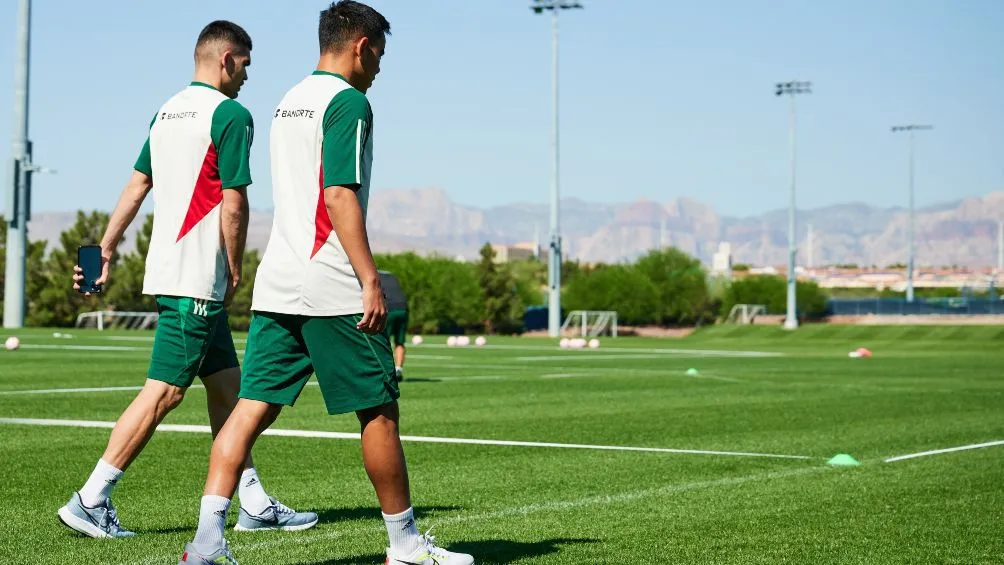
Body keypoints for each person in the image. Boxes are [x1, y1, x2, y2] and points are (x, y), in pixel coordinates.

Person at [177, 3, 474, 564]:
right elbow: (337, 195)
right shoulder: (350, 102)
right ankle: (404, 544)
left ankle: (207, 543)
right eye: (381, 54)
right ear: (362, 45)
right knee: (379, 409)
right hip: (332, 281)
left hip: (278, 281)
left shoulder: (287, 100)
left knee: (249, 409)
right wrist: (370, 279)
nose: (381, 68)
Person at [62, 20, 316, 539]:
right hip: (197, 280)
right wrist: (236, 267)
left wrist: (105, 248)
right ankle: (91, 498)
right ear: (226, 58)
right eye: (246, 63)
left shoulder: (166, 110)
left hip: (170, 275)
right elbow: (234, 201)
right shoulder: (230, 114)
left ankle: (252, 502)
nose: (248, 74)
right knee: (164, 393)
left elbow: (137, 185)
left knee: (228, 390)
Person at [379, 270, 410, 381]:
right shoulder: (391, 276)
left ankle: (386, 371)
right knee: (399, 341)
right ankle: (398, 369)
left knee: (382, 340)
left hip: (390, 309)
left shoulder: (370, 275)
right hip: (403, 308)